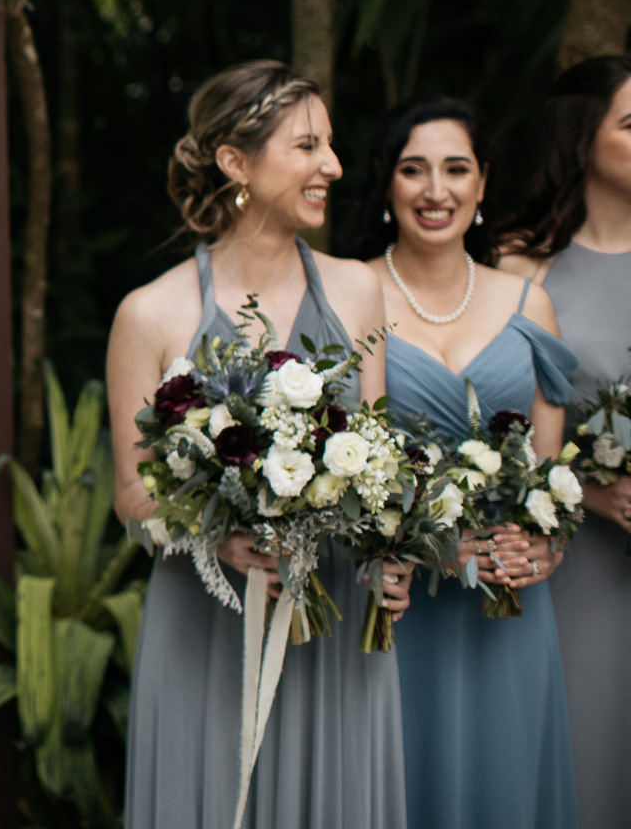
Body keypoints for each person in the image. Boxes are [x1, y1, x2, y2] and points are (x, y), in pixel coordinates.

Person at [108, 60, 410, 829]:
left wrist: (389, 553)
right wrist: (219, 533)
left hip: (334, 620)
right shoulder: (151, 313)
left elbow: (376, 453)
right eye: (307, 147)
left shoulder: (356, 290)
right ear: (236, 162)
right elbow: (134, 496)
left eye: (331, 146)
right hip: (207, 627)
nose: (333, 168)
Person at [346, 97, 576, 829]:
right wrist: (438, 549)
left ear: (482, 186)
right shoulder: (355, 296)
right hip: (404, 601)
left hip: (507, 607)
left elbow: (549, 473)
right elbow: (354, 465)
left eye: (455, 169)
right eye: (413, 170)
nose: (435, 190)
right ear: (388, 185)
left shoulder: (528, 302)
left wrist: (549, 545)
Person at [497, 56, 631, 829]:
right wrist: (587, 488)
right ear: (581, 139)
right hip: (574, 566)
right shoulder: (522, 265)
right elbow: (489, 428)